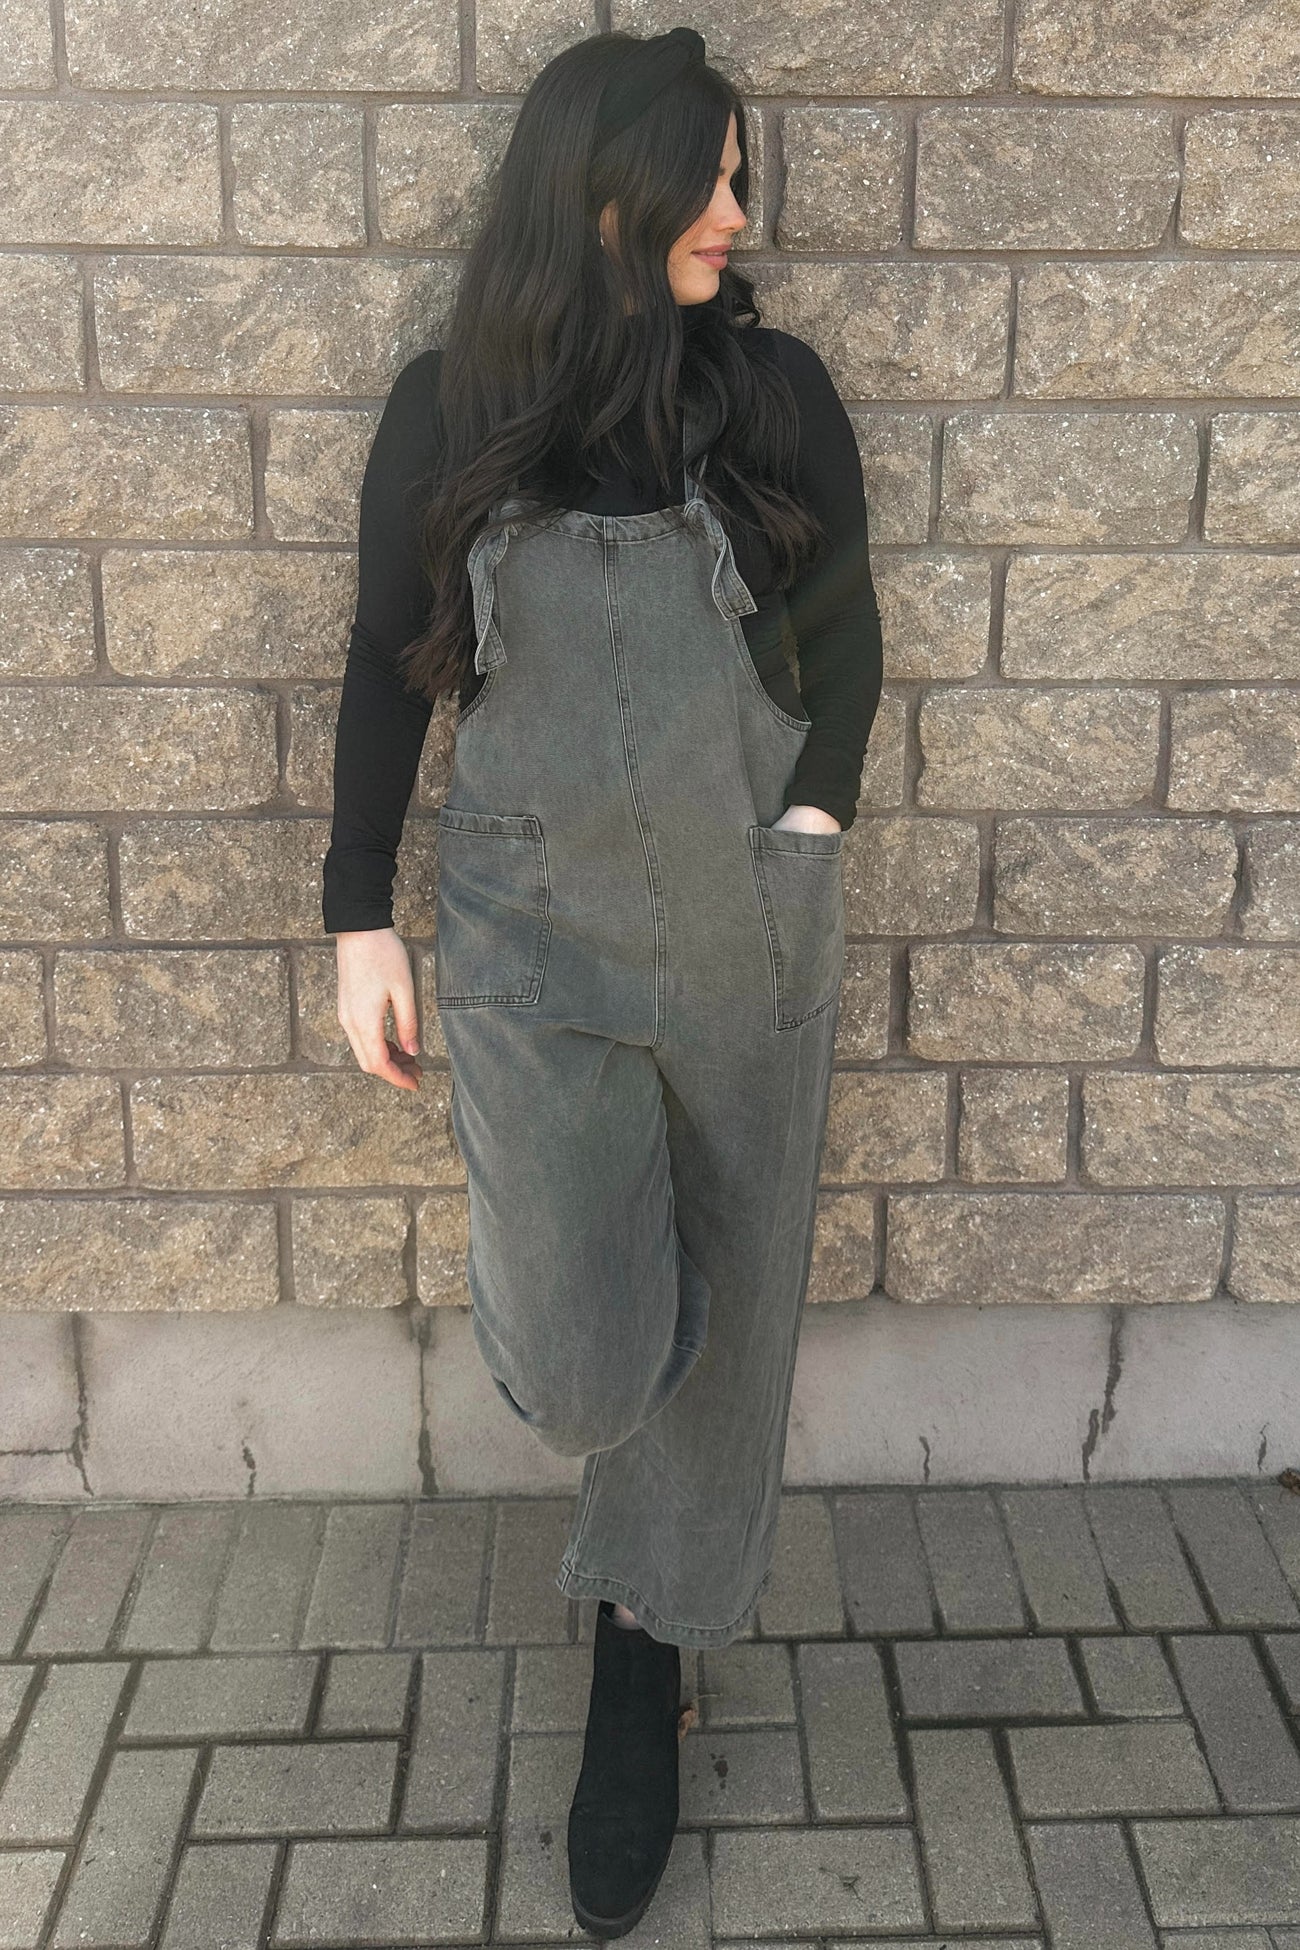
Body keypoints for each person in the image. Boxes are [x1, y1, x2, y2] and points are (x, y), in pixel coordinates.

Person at [323, 25, 883, 1938]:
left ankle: (642, 1656)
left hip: (747, 919)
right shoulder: (452, 409)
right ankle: (633, 1520)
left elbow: (847, 637)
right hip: (530, 934)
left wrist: (806, 831)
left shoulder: (771, 396)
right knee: (586, 1354)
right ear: (604, 191)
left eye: (741, 177)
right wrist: (359, 913)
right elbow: (386, 658)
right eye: (708, 179)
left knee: (734, 1298)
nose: (739, 212)